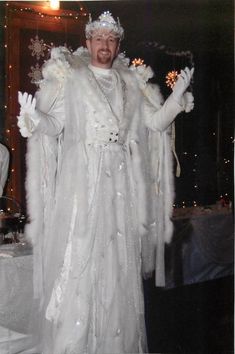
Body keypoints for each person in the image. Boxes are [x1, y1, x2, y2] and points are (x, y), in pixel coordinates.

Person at [17, 11, 194, 354]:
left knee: (116, 262)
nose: (105, 46)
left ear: (117, 45)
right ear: (88, 42)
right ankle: (75, 344)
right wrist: (36, 118)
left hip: (119, 187)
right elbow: (56, 126)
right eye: (99, 39)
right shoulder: (74, 79)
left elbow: (155, 123)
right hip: (83, 184)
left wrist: (176, 97)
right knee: (81, 255)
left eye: (111, 40)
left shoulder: (130, 82)